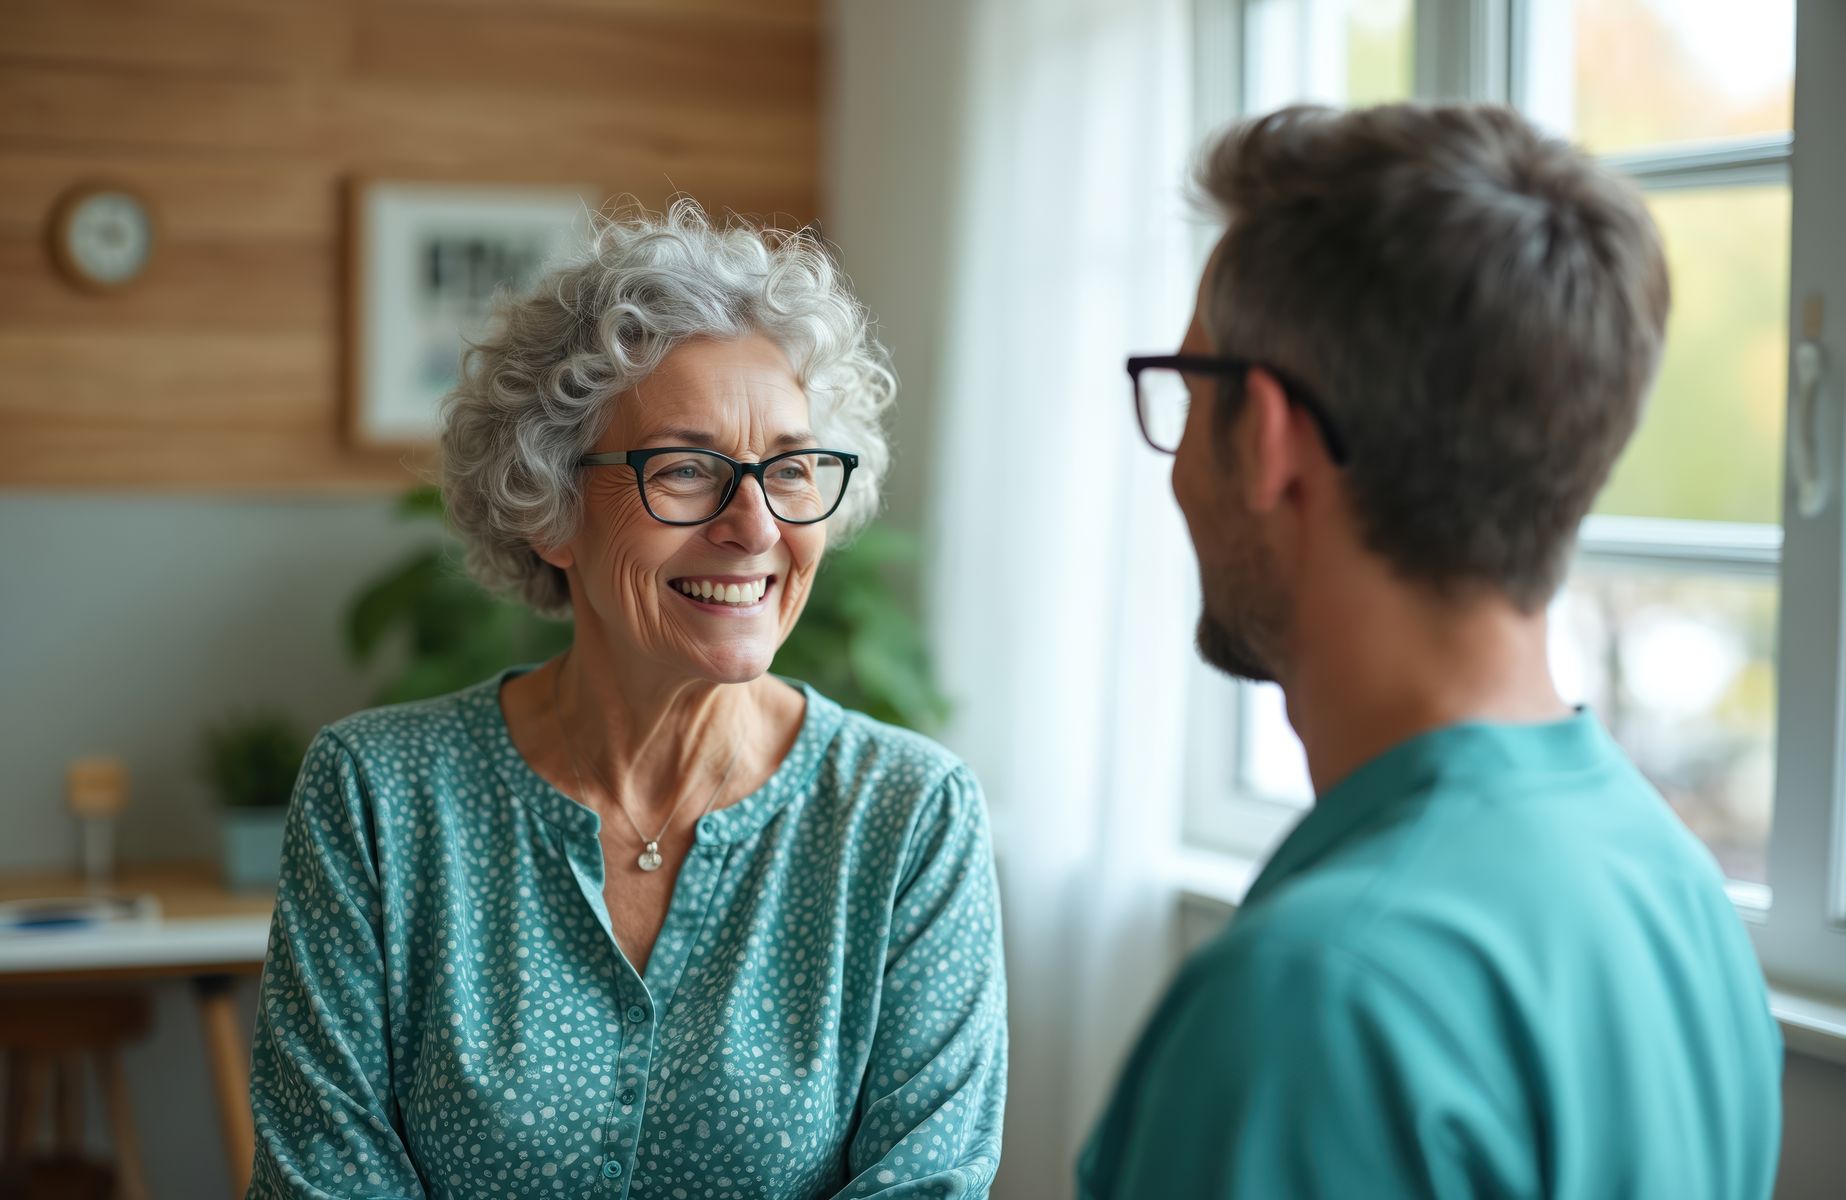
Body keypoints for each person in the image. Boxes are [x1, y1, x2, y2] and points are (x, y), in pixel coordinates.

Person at [1082, 104, 1782, 1198]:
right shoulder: (1672, 885)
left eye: (1186, 387)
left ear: (1267, 439)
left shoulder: (1315, 999)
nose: (1172, 466)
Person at [247, 200, 1007, 1198]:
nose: (755, 525)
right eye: (687, 469)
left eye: (789, 467)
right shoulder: (379, 796)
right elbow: (325, 1183)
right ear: (550, 509)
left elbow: (924, 1186)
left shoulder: (905, 814)